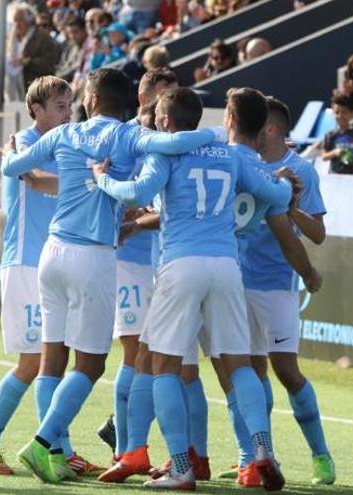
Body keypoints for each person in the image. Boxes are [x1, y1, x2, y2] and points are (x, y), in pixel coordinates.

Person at [0, 68, 217, 484]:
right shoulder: (126, 136)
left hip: (52, 252)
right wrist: (216, 135)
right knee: (91, 364)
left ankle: (57, 452)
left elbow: (14, 167)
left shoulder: (66, 133)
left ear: (92, 99)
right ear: (124, 102)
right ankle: (44, 442)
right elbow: (178, 141)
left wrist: (10, 155)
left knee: (52, 360)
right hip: (92, 255)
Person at [90, 87, 292, 491]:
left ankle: (181, 466)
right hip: (226, 266)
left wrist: (102, 179)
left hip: (181, 264)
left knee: (162, 366)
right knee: (239, 365)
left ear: (165, 122)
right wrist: (288, 186)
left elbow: (138, 194)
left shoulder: (167, 154)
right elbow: (275, 195)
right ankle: (262, 449)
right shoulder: (232, 155)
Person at [0, 76, 88, 476]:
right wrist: (89, 181)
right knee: (33, 362)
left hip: (55, 263)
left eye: (70, 105)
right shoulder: (21, 142)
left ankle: (60, 448)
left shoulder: (68, 143)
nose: (68, 112)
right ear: (35, 109)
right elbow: (37, 180)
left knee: (56, 358)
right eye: (60, 105)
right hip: (24, 262)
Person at [227, 95, 332, 487]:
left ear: (269, 129)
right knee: (250, 372)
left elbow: (318, 233)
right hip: (237, 281)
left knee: (286, 371)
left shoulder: (300, 170)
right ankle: (258, 457)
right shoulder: (243, 164)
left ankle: (321, 454)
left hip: (276, 284)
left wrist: (289, 209)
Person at [92, 68, 179, 482]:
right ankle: (127, 448)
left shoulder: (162, 140)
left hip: (161, 261)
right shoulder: (126, 136)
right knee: (136, 354)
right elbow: (118, 195)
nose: (168, 106)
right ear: (144, 95)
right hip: (131, 257)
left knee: (162, 359)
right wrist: (134, 213)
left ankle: (128, 436)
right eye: (164, 95)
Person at [5, 5, 61, 102]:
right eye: (14, 21)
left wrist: (27, 62)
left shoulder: (43, 38)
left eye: (19, 20)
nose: (16, 24)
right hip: (12, 91)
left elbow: (50, 63)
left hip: (35, 91)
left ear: (29, 20)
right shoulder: (9, 38)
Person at [314, 96, 353, 174]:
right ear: (333, 113)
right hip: (336, 175)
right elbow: (324, 156)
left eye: (344, 112)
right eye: (337, 112)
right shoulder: (330, 135)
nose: (340, 116)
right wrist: (335, 152)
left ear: (352, 113)